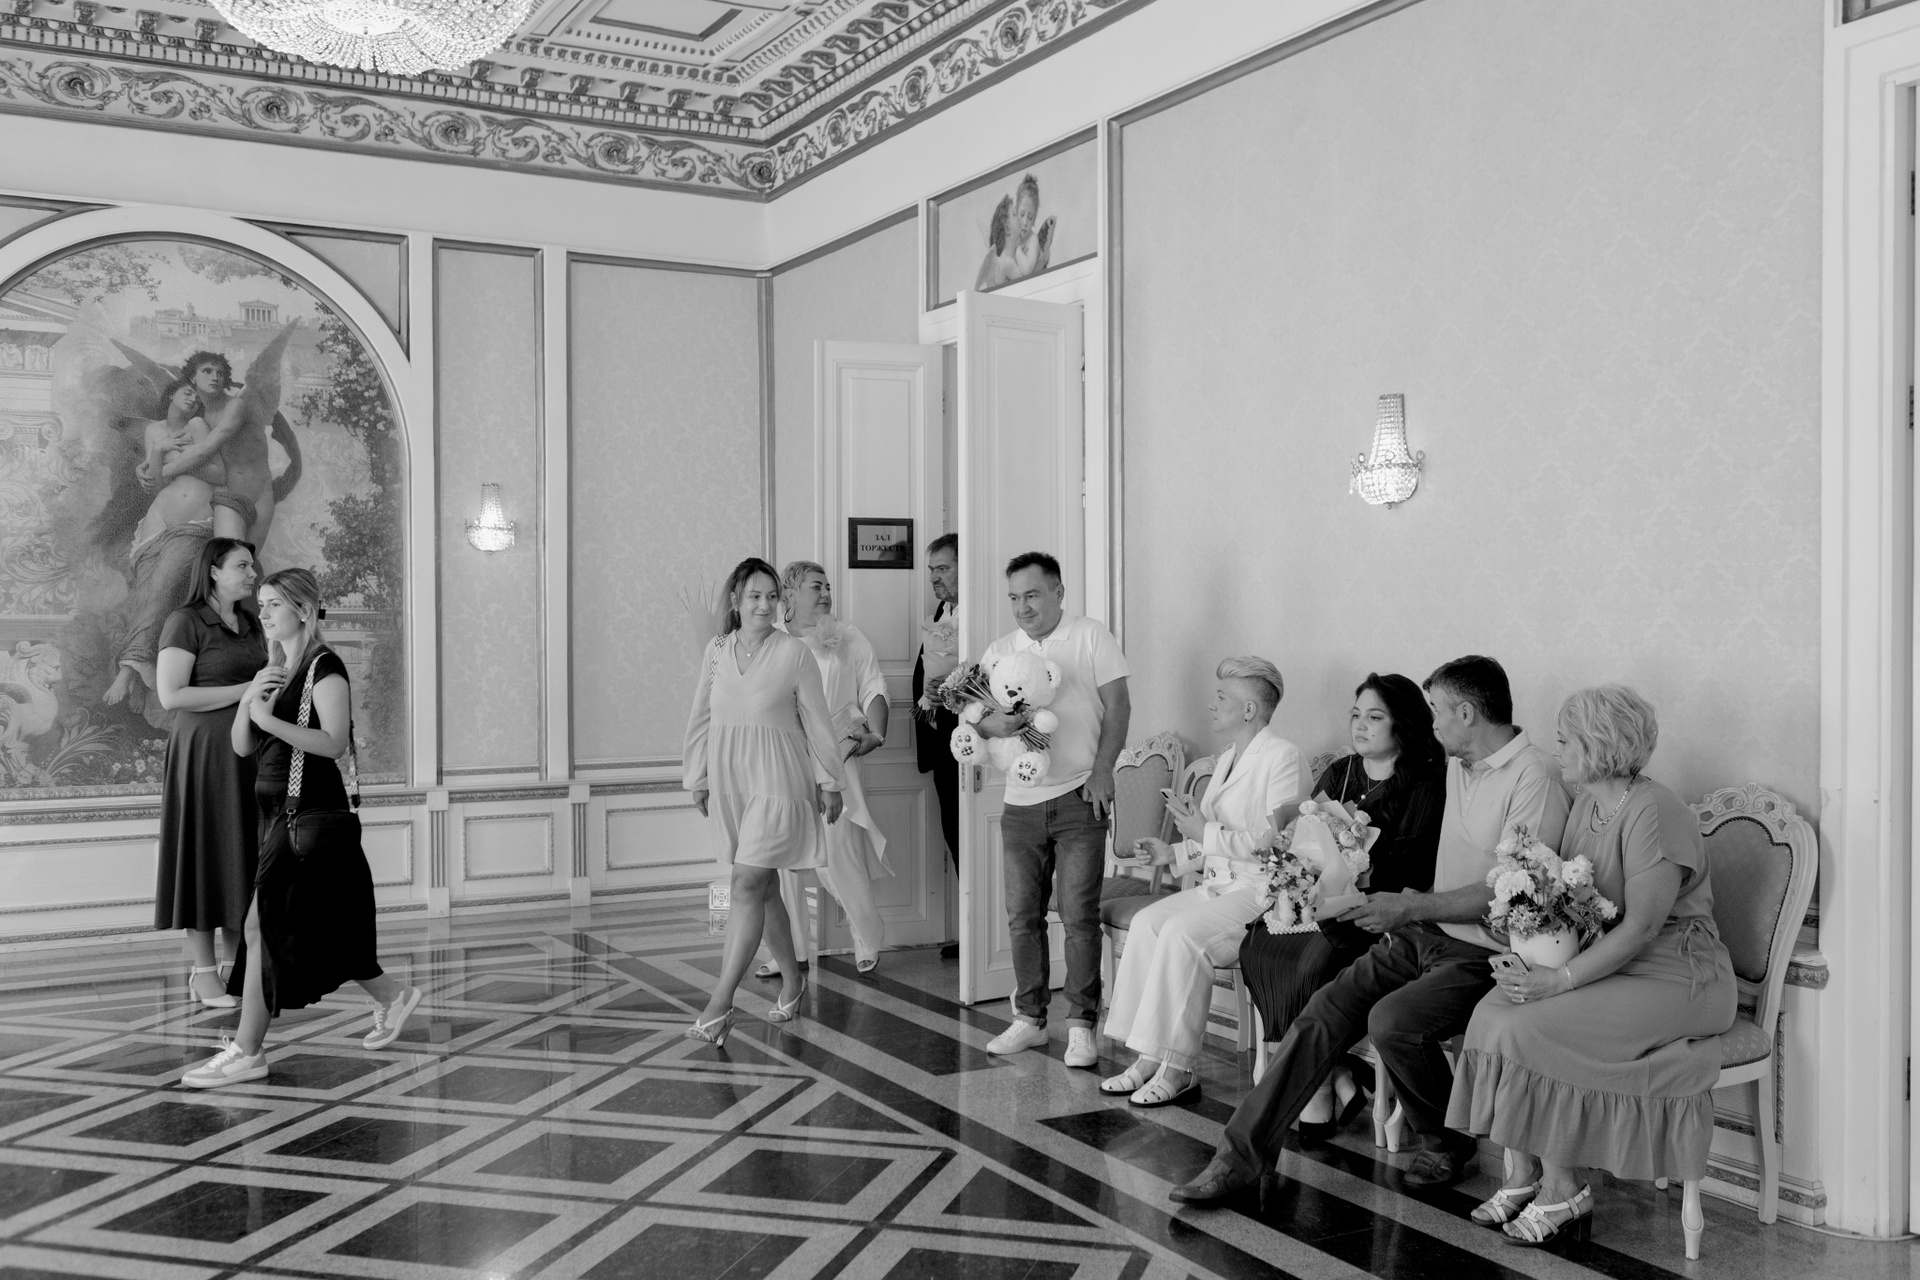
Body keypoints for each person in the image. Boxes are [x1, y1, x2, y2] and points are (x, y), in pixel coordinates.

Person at [1172, 655, 1570, 1203]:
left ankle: (1446, 1140)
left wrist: (1409, 906)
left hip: (1488, 950)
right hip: (1425, 931)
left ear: (1467, 713)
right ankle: (1236, 1159)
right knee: (1322, 1014)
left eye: (1436, 711)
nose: (1430, 722)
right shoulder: (1460, 765)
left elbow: (1512, 888)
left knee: (1392, 1021)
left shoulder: (1535, 777)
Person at [1448, 685, 1735, 1247]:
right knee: (1495, 1010)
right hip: (1613, 962)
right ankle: (1523, 1174)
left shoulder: (1656, 811)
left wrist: (1558, 980)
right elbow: (1566, 899)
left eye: (1565, 740)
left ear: (1599, 743)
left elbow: (1643, 927)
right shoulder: (1586, 803)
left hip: (1680, 973)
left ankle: (1565, 1189)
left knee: (1539, 1025)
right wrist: (1529, 951)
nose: (1556, 749)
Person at [181, 569, 421, 1087]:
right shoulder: (276, 668)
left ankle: (247, 1051)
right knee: (317, 926)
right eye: (262, 603)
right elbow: (243, 746)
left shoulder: (324, 667)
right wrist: (250, 700)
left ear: (303, 611)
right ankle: (391, 993)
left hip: (307, 812)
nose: (262, 612)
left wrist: (269, 719)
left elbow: (332, 743)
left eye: (273, 604)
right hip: (275, 816)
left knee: (260, 927)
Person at [1239, 673, 1446, 1137]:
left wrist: (1354, 871)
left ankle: (1318, 1090)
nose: (1360, 725)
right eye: (1356, 715)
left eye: (1374, 717)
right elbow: (1303, 834)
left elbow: (1413, 866)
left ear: (1403, 724)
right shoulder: (1342, 771)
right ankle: (1334, 1072)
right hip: (1320, 902)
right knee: (1260, 942)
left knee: (1312, 961)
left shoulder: (1426, 781)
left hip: (1379, 909)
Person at [1099, 657, 1302, 1107]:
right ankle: (1147, 1058)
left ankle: (1179, 1069)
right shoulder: (1228, 757)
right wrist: (1171, 853)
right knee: (1148, 923)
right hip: (1216, 886)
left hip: (1259, 893)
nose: (1212, 704)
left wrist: (1202, 833)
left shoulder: (1283, 758)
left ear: (1249, 709)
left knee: (1180, 933)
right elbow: (1205, 833)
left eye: (1222, 697)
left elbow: (1274, 844)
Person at [684, 557, 848, 1045]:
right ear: (736, 600)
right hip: (733, 782)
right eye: (754, 596)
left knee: (746, 881)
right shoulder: (716, 651)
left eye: (772, 597)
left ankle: (719, 1005)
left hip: (779, 781)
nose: (764, 605)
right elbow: (701, 715)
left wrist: (830, 782)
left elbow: (817, 721)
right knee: (763, 886)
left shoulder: (794, 652)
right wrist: (698, 776)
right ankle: (793, 982)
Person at [976, 552, 1129, 1067]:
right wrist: (989, 726)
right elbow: (977, 718)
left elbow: (1120, 706)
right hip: (1020, 803)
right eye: (1014, 597)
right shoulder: (999, 651)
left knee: (1079, 916)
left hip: (1081, 794)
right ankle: (1030, 1020)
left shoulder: (1090, 636)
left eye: (1032, 595)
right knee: (1023, 917)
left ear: (1058, 593)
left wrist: (1104, 770)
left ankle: (1082, 1026)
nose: (1023, 606)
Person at [151, 537, 266, 1009]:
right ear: (214, 571)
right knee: (203, 853)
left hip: (248, 753)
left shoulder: (253, 623)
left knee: (241, 854)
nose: (252, 573)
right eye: (242, 565)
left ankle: (236, 965)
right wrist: (247, 689)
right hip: (201, 756)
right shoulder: (185, 621)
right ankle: (202, 971)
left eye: (252, 565)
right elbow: (172, 695)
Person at [769, 560, 892, 973]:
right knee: (782, 857)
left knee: (840, 851)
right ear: (789, 594)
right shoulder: (770, 639)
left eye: (828, 587)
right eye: (815, 587)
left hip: (837, 755)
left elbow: (873, 686)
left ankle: (868, 937)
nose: (825, 594)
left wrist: (876, 733)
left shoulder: (848, 637)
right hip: (784, 758)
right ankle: (789, 951)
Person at [105, 379, 234, 709]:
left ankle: (130, 668)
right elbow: (154, 484)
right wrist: (159, 450)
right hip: (157, 520)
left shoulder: (198, 425)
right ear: (171, 394)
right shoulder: (154, 431)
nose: (192, 397)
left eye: (196, 394)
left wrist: (178, 459)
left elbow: (219, 474)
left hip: (193, 522)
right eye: (186, 391)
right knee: (145, 593)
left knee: (162, 588)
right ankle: (140, 673)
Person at [911, 534, 961, 959]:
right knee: (954, 834)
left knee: (970, 837)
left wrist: (953, 687)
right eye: (932, 570)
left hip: (972, 745)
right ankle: (970, 932)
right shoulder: (942, 614)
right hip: (943, 743)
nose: (934, 578)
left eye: (943, 568)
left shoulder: (979, 614)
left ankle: (982, 937)